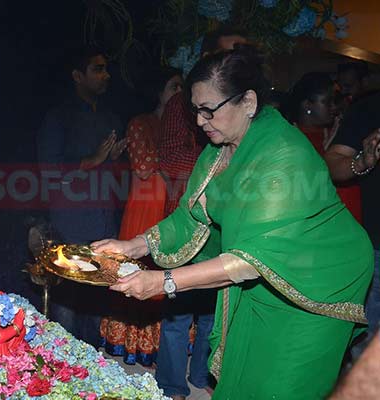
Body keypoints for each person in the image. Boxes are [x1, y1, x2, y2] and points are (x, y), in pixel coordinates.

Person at [93, 46, 373, 399]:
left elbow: (250, 261)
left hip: (319, 282)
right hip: (264, 273)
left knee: (280, 385)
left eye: (208, 110)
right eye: (196, 111)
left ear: (249, 102)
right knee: (243, 369)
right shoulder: (219, 149)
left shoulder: (284, 154)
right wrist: (132, 245)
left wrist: (163, 282)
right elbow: (190, 216)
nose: (200, 122)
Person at [154, 27, 247, 400]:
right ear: (207, 57)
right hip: (187, 221)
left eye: (240, 51)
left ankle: (201, 375)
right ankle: (172, 385)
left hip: (223, 232)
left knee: (213, 310)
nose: (200, 121)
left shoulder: (253, 126)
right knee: (178, 313)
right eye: (228, 51)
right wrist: (210, 169)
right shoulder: (185, 107)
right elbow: (169, 158)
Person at [36, 46, 126, 347]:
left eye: (106, 68)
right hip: (71, 225)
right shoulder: (58, 117)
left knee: (98, 302)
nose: (106, 75)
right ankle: (66, 366)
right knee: (68, 304)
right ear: (77, 75)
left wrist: (114, 159)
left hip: (103, 222)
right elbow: (48, 171)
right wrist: (92, 160)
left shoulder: (110, 117)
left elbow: (112, 175)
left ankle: (94, 364)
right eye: (97, 69)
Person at [100, 68, 182, 366]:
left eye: (182, 87)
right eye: (173, 86)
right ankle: (130, 345)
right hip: (145, 207)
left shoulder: (186, 129)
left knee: (167, 270)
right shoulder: (141, 123)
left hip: (171, 208)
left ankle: (159, 349)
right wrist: (178, 160)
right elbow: (145, 167)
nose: (179, 93)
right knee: (137, 268)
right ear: (159, 92)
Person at [325, 92, 380, 359]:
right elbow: (333, 163)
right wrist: (363, 161)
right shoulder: (370, 108)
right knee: (366, 347)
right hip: (376, 249)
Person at [287, 72, 362, 222]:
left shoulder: (340, 134)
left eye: (334, 101)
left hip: (347, 218)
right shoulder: (290, 137)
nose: (333, 107)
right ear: (307, 105)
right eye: (327, 102)